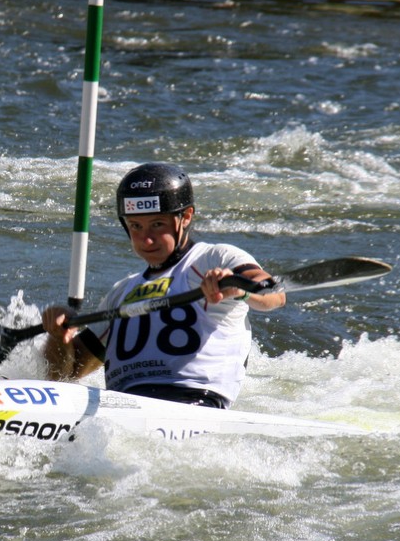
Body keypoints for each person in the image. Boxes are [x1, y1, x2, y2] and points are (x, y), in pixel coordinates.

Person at [41, 162, 286, 409]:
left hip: (194, 404)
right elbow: (64, 375)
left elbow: (273, 294)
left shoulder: (213, 258)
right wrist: (58, 335)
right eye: (136, 226)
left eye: (157, 224)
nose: (146, 239)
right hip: (123, 406)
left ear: (186, 216)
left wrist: (239, 287)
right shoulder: (121, 292)